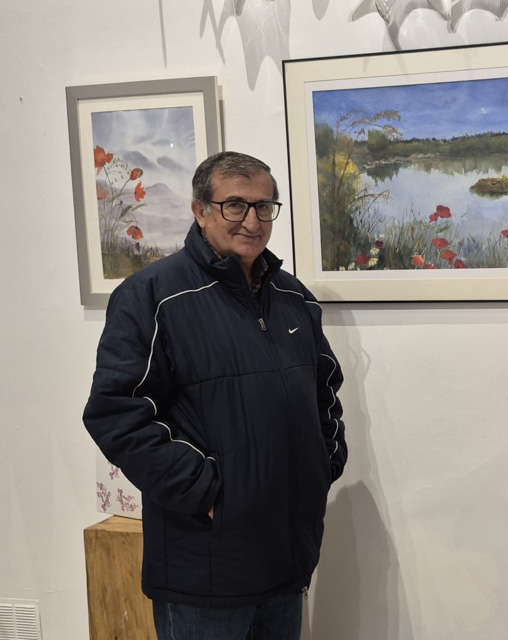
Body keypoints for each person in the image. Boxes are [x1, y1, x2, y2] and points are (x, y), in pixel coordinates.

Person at [83, 151, 347, 639]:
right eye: (235, 205)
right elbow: (115, 412)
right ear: (200, 210)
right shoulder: (152, 296)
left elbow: (324, 390)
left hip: (286, 555)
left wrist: (322, 464)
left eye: (265, 206)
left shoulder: (294, 298)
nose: (252, 220)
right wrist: (204, 493)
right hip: (203, 564)